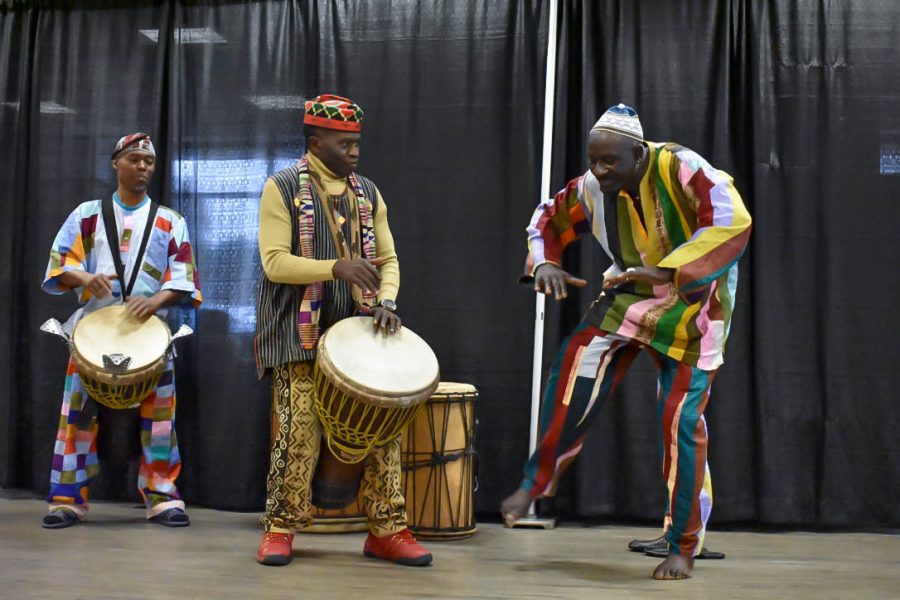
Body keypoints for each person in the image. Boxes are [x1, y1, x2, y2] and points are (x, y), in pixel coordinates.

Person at [500, 104, 751, 579]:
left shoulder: (681, 166)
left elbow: (732, 219)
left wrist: (673, 269)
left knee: (680, 425)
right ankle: (538, 480)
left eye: (610, 161)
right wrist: (545, 263)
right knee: (575, 361)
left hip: (695, 307)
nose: (599, 170)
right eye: (594, 160)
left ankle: (683, 543)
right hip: (630, 296)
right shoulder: (594, 187)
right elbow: (546, 219)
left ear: (638, 154)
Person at [254, 94, 432, 567]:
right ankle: (279, 528)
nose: (354, 151)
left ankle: (387, 530)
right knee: (297, 433)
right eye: (344, 143)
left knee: (383, 431)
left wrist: (387, 300)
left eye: (357, 143)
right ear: (315, 142)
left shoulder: (368, 192)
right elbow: (274, 263)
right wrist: (337, 267)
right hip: (298, 335)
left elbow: (388, 260)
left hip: (360, 338)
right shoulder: (283, 187)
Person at [41, 132, 202, 529]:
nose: (143, 167)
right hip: (91, 335)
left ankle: (162, 497)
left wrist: (157, 301)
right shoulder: (87, 214)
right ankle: (66, 499)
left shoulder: (170, 221)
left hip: (150, 336)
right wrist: (84, 277)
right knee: (74, 417)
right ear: (116, 163)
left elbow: (184, 278)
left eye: (148, 161)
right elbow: (60, 263)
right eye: (134, 159)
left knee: (161, 420)